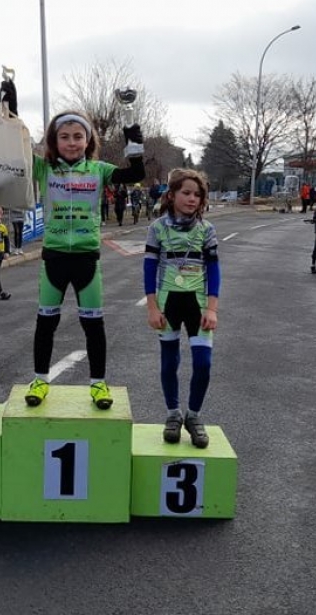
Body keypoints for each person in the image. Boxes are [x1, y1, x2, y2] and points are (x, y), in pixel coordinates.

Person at [23, 110, 145, 409]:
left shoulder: (99, 169)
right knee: (45, 323)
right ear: (53, 140)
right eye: (64, 137)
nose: (72, 142)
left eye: (78, 136)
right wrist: (11, 105)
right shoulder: (44, 168)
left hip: (87, 258)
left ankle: (98, 385)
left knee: (93, 325)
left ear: (88, 139)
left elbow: (136, 174)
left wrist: (131, 131)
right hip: (54, 258)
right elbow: (16, 151)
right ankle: (40, 380)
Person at [144, 169, 219, 449]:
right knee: (169, 362)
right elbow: (149, 268)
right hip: (167, 302)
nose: (191, 198)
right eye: (186, 192)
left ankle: (194, 416)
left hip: (198, 305)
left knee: (203, 364)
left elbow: (214, 270)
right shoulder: (158, 228)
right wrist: (152, 307)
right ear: (172, 194)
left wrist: (212, 308)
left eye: (197, 194)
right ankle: (173, 414)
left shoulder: (207, 229)